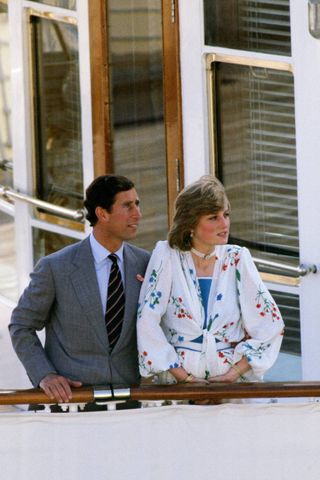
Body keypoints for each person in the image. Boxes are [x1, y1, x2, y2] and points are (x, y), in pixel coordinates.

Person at [9, 175, 150, 403]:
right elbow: (21, 325)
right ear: (102, 213)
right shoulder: (55, 267)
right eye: (127, 206)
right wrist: (45, 374)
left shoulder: (145, 263)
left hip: (132, 399)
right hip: (74, 402)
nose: (138, 214)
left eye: (137, 204)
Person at [137, 175, 284, 386]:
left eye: (226, 215)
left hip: (231, 387)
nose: (224, 224)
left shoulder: (238, 258)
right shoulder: (167, 255)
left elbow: (271, 326)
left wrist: (230, 376)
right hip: (177, 389)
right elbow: (147, 321)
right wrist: (185, 380)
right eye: (213, 217)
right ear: (190, 223)